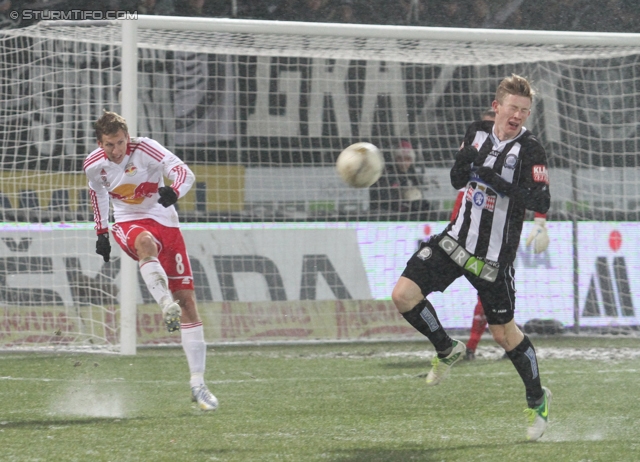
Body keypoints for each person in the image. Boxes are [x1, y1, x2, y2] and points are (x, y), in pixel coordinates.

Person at [391, 74, 551, 441]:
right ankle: (447, 349)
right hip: (455, 241)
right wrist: (467, 163)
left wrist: (500, 183)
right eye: (513, 108)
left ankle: (537, 399)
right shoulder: (477, 131)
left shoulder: (531, 150)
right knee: (403, 295)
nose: (518, 116)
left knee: (505, 335)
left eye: (524, 111)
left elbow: (541, 200)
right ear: (498, 107)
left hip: (493, 259)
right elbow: (457, 178)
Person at [83, 111, 218, 411]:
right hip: (129, 221)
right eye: (110, 144)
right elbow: (98, 195)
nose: (117, 150)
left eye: (121, 142)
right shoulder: (94, 165)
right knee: (145, 244)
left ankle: (198, 382)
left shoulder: (146, 148)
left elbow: (184, 172)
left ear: (127, 138)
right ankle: (163, 304)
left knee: (188, 303)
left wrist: (174, 191)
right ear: (99, 143)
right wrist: (101, 232)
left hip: (165, 221)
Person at [458, 108, 550, 361]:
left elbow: (536, 190)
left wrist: (540, 222)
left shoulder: (522, 151)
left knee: (489, 290)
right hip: (466, 233)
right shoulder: (474, 154)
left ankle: (473, 347)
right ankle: (461, 347)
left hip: (500, 235)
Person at [369, 140, 430, 221]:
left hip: (408, 212)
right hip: (390, 212)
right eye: (400, 159)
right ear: (395, 159)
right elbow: (383, 199)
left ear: (412, 160)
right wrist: (402, 196)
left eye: (407, 159)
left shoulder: (412, 174)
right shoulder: (387, 174)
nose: (403, 162)